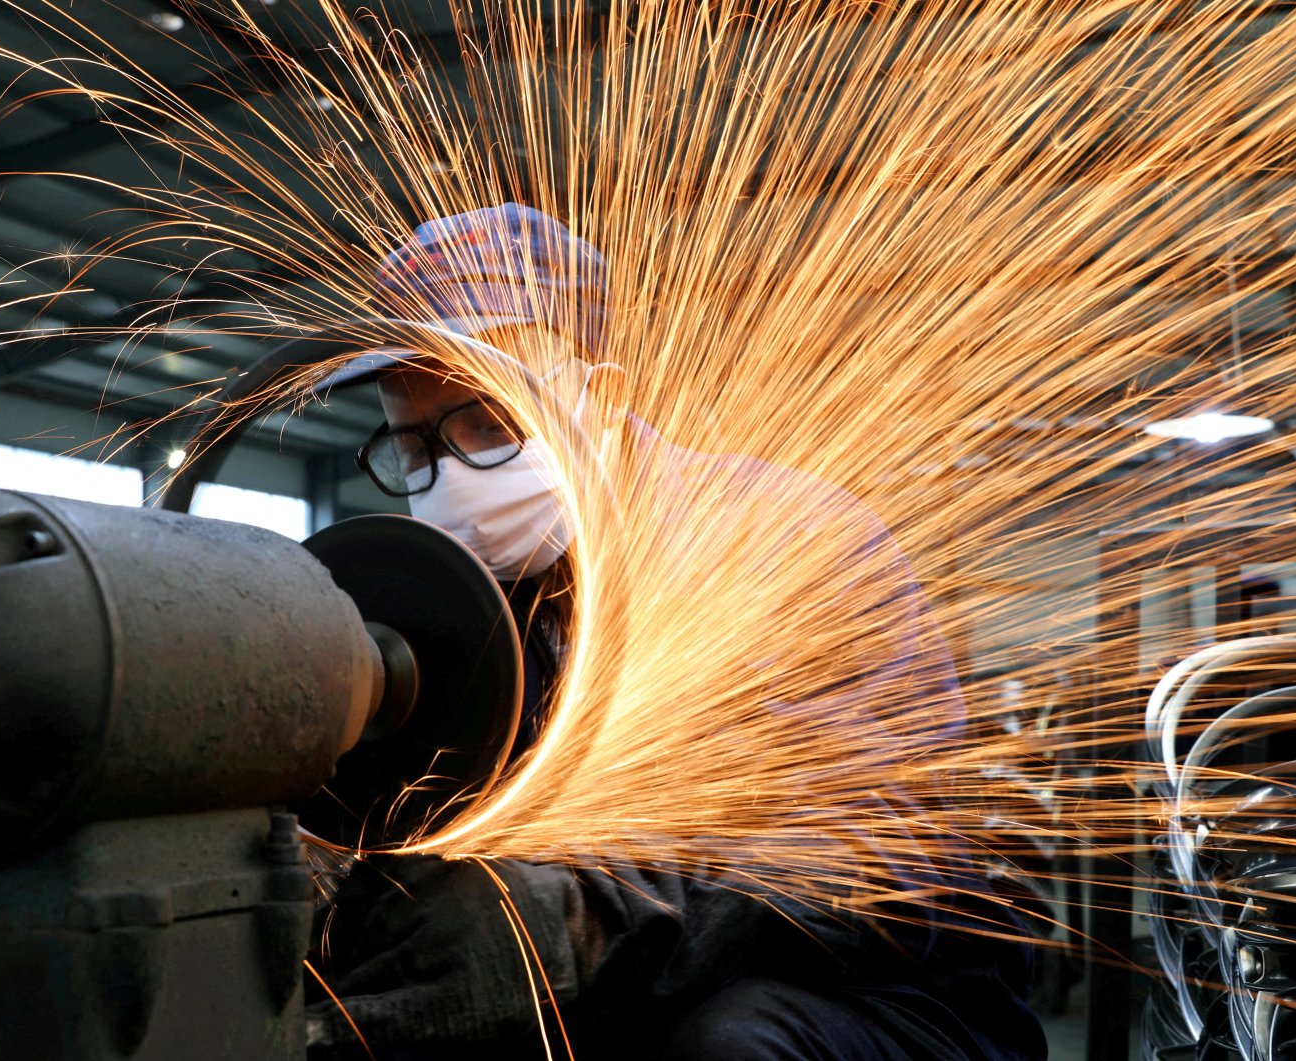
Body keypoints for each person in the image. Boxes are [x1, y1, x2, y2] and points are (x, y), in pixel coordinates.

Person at [306, 204, 1045, 1060]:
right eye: (413, 445)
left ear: (604, 394)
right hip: (635, 989)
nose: (447, 475)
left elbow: (868, 849)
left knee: (725, 1046)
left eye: (488, 420)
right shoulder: (468, 607)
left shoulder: (780, 540)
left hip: (880, 999)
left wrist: (588, 924)